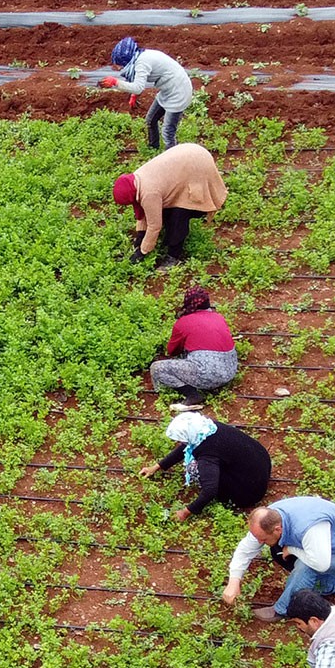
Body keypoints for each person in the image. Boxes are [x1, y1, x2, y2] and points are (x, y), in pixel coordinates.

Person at [221, 495, 335, 621]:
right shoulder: (270, 517)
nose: (260, 542)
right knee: (305, 573)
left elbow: (321, 563)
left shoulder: (308, 528)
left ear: (277, 530)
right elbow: (246, 549)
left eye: (263, 539)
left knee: (308, 570)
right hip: (328, 540)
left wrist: (294, 549)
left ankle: (283, 609)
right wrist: (234, 581)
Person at [112, 142, 226, 270]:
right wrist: (139, 239)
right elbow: (143, 212)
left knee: (179, 215)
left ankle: (173, 256)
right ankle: (166, 243)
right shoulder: (135, 180)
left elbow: (154, 225)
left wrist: (142, 252)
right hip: (187, 156)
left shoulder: (150, 193)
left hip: (197, 165)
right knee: (167, 212)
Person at [140, 412, 270, 520]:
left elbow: (210, 491)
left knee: (192, 468)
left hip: (249, 493)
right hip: (260, 467)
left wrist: (185, 512)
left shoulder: (208, 455)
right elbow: (187, 447)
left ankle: (231, 495)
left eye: (180, 439)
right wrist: (157, 467)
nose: (179, 442)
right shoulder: (209, 429)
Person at [149, 286, 238, 410]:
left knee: (157, 368)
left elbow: (172, 351)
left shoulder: (183, 322)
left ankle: (191, 394)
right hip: (230, 370)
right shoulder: (219, 317)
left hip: (208, 374)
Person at [99, 37, 194, 150]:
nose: (121, 67)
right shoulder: (141, 56)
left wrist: (115, 82)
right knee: (151, 119)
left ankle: (173, 157)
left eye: (121, 65)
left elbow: (138, 87)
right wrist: (134, 95)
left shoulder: (142, 63)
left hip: (179, 92)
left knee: (168, 131)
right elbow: (138, 82)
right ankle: (153, 147)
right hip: (168, 89)